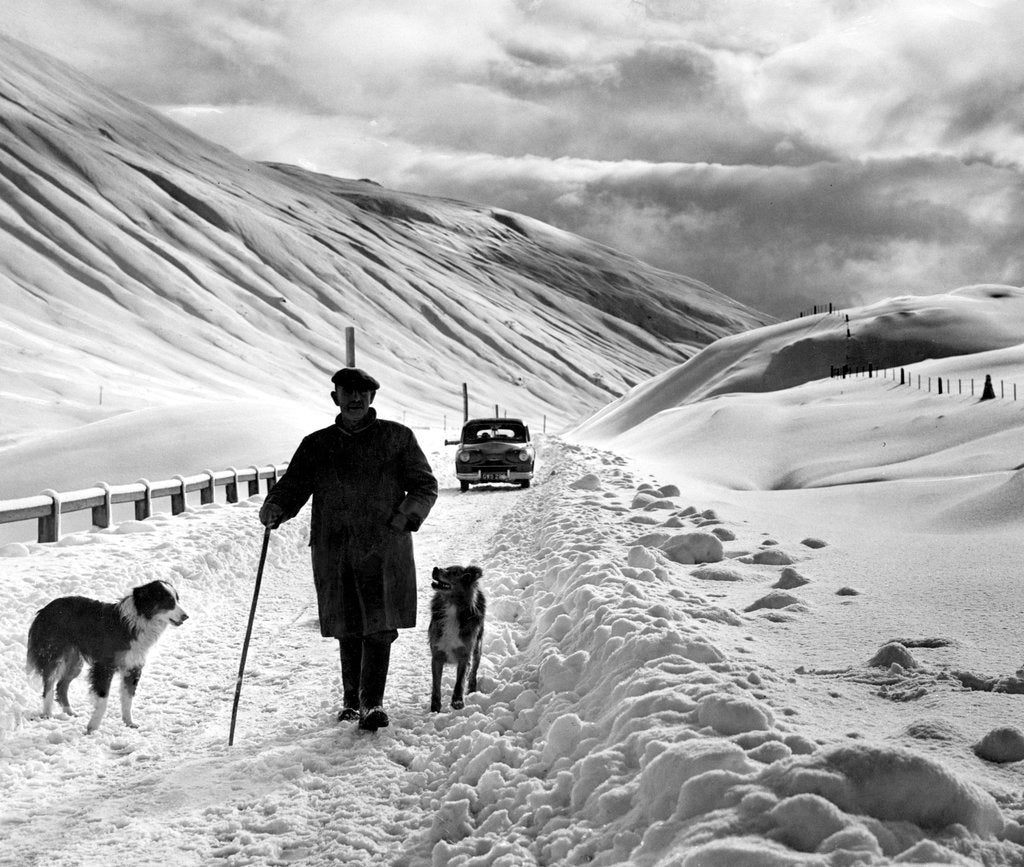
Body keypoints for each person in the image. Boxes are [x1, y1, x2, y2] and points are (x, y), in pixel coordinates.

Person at [259, 367, 438, 730]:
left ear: (372, 398)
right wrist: (276, 506)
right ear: (335, 397)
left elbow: (424, 485)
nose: (355, 399)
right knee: (347, 624)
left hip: (383, 548)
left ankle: (371, 704)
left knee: (379, 625)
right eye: (348, 392)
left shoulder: (397, 438)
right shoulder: (317, 444)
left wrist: (405, 518)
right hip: (334, 547)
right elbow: (294, 485)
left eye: (362, 393)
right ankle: (351, 701)